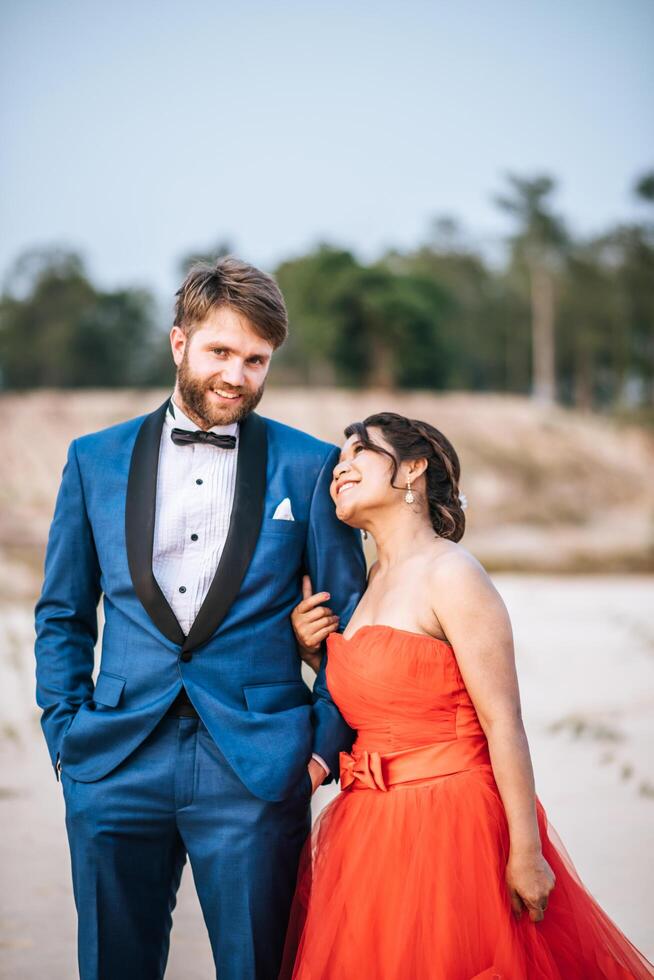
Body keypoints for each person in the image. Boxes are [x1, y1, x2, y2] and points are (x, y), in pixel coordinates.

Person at [33, 257, 367, 980]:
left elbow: (356, 624)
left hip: (256, 767)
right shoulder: (93, 460)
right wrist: (65, 735)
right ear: (179, 343)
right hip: (114, 760)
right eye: (221, 352)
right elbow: (63, 611)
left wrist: (315, 756)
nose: (237, 376)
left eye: (256, 360)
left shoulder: (311, 467)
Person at [283, 412, 654, 979]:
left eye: (360, 451)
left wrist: (526, 852)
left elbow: (504, 722)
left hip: (450, 827)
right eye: (341, 456)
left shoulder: (452, 575)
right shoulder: (369, 584)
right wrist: (318, 658)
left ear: (412, 468)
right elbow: (383, 702)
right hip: (369, 835)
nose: (342, 466)